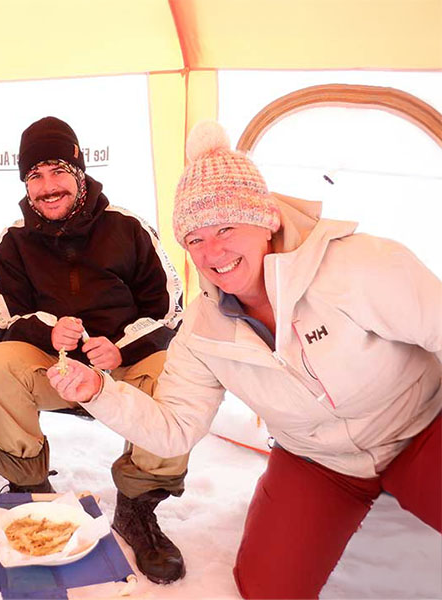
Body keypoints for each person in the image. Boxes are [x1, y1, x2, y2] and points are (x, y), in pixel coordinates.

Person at [48, 120, 442, 598]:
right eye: (194, 239)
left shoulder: (359, 266)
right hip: (319, 461)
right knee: (266, 587)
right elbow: (175, 427)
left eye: (227, 228)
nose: (213, 252)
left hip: (422, 426)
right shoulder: (203, 328)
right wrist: (98, 392)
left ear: (267, 219)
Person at [0, 116, 188, 584]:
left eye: (57, 171)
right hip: (56, 374)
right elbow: (4, 314)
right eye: (34, 176)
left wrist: (123, 347)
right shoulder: (12, 242)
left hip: (124, 372)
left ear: (79, 172)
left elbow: (171, 308)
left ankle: (138, 507)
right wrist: (46, 332)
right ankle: (28, 486)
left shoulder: (128, 227)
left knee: (175, 371)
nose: (47, 187)